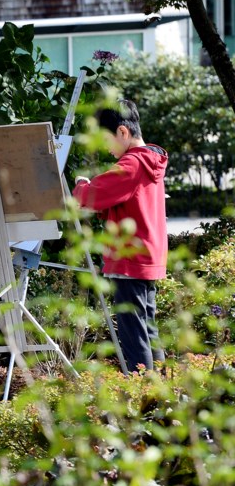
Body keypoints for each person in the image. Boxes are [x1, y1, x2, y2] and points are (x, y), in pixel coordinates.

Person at [73, 99, 168, 373]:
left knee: (134, 338)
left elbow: (93, 196)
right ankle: (164, 394)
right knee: (147, 330)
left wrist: (81, 184)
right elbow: (128, 205)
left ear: (123, 133)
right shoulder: (150, 160)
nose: (106, 147)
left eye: (106, 139)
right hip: (147, 259)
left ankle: (146, 400)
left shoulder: (132, 164)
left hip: (129, 260)